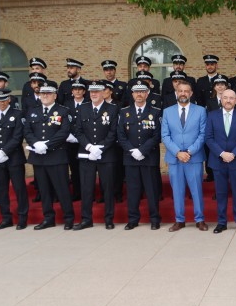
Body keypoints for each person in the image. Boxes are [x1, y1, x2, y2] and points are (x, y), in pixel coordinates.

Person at [24, 82, 76, 230]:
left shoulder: (63, 111)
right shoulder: (32, 111)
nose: (44, 96)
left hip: (56, 156)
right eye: (42, 93)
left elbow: (64, 131)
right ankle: (48, 218)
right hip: (38, 157)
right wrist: (36, 144)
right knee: (44, 190)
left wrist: (46, 145)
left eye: (48, 93)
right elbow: (27, 131)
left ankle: (68, 218)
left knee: (62, 189)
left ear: (55, 95)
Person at [162, 79, 209, 232]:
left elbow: (203, 134)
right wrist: (177, 152)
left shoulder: (201, 110)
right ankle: (179, 220)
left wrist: (189, 152)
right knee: (177, 190)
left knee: (196, 190)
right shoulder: (167, 111)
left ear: (191, 93)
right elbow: (165, 135)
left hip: (193, 157)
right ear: (176, 93)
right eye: (180, 91)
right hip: (175, 158)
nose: (183, 93)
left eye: (186, 91)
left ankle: (200, 219)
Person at [72, 80, 119, 230]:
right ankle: (86, 219)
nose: (93, 94)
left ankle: (109, 219)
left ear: (103, 93)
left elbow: (113, 132)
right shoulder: (83, 108)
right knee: (86, 188)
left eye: (97, 91)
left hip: (106, 155)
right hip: (87, 155)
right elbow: (78, 131)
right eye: (91, 91)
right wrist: (89, 146)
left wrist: (101, 148)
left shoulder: (112, 109)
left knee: (108, 188)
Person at [117, 82, 163, 230]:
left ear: (147, 94)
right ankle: (133, 219)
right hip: (130, 159)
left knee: (152, 191)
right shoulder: (124, 112)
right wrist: (132, 151)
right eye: (136, 92)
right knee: (133, 191)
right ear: (132, 94)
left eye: (142, 92)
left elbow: (157, 136)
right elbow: (121, 135)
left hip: (149, 158)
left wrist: (142, 150)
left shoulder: (155, 112)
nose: (139, 94)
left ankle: (155, 219)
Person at [205, 89, 236, 233]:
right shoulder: (212, 116)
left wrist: (234, 154)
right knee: (221, 193)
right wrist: (222, 153)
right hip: (218, 161)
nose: (228, 100)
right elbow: (208, 138)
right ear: (221, 100)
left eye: (231, 98)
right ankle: (222, 222)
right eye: (225, 98)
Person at [0, 88, 29, 230]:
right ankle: (6, 218)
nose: (2, 103)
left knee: (19, 189)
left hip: (14, 158)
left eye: (4, 100)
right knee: (1, 190)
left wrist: (4, 151)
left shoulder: (17, 114)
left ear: (9, 99)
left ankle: (23, 218)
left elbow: (18, 137)